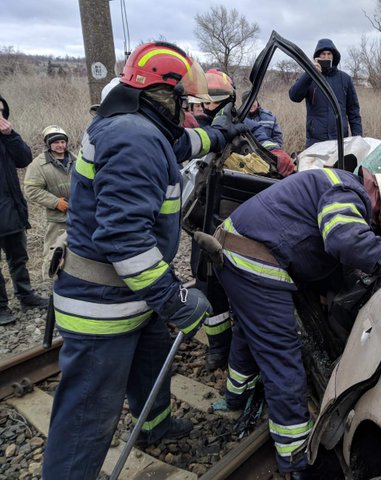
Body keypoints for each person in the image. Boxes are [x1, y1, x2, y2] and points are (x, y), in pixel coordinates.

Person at [41, 41, 248, 479]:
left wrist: (222, 133)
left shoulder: (137, 127)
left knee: (152, 353)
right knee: (87, 417)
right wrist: (176, 301)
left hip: (128, 296)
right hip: (103, 302)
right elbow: (125, 241)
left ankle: (154, 426)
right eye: (183, 102)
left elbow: (181, 142)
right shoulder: (134, 139)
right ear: (163, 96)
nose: (188, 111)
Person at [195, 167, 381, 477]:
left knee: (250, 331)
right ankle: (297, 459)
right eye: (376, 216)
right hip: (253, 259)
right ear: (378, 196)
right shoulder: (348, 192)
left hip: (233, 249)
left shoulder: (335, 182)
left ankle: (237, 393)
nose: (371, 220)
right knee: (282, 359)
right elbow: (345, 240)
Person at [0, 95, 48, 326]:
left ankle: (26, 295)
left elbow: (25, 158)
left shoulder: (6, 137)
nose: (0, 116)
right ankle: (1, 307)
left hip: (11, 209)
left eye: (1, 111)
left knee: (18, 257)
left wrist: (10, 136)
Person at [289, 38, 363, 148]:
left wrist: (358, 140)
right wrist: (309, 73)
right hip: (315, 142)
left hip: (340, 142)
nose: (326, 57)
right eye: (323, 54)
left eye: (329, 54)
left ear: (334, 56)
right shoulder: (309, 76)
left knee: (338, 166)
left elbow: (354, 113)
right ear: (317, 57)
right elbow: (294, 96)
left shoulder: (345, 79)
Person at [24, 125, 73, 280]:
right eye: (56, 142)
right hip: (57, 219)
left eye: (62, 142)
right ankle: (52, 286)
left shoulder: (77, 159)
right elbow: (31, 189)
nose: (60, 145)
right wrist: (55, 202)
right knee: (54, 254)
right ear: (48, 144)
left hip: (79, 215)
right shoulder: (38, 165)